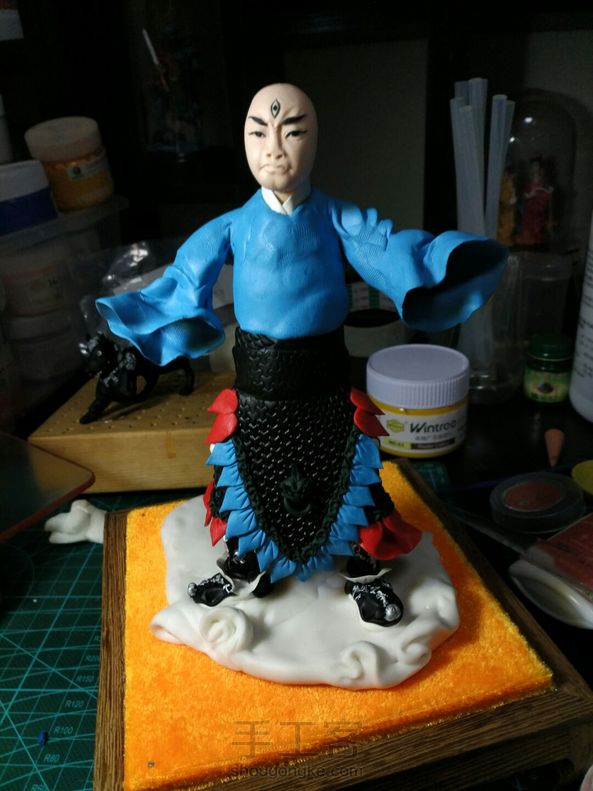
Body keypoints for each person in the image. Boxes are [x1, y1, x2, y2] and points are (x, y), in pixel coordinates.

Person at [97, 84, 507, 627]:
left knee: (354, 482)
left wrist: (441, 264)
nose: (274, 149)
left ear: (314, 141)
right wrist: (144, 313)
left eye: (292, 131)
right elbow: (184, 280)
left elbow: (389, 251)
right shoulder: (232, 226)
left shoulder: (338, 217)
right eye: (259, 133)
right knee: (241, 484)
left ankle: (363, 572)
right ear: (245, 141)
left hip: (326, 384)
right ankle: (244, 567)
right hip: (257, 386)